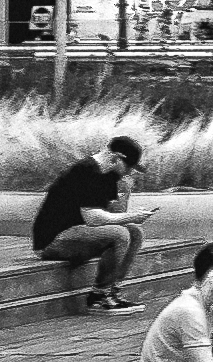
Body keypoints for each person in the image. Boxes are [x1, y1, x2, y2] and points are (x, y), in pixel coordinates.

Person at [30, 132, 152, 310]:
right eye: (129, 167)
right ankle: (99, 295)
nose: (130, 172)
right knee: (120, 234)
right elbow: (93, 218)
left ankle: (113, 290)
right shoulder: (86, 171)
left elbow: (113, 215)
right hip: (53, 239)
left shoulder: (110, 175)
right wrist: (131, 216)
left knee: (135, 232)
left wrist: (124, 194)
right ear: (116, 158)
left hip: (80, 233)